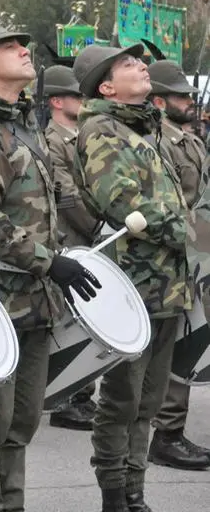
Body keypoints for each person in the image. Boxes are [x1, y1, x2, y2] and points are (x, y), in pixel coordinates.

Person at [0, 15, 99, 512]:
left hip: (31, 297)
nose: (24, 49)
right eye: (9, 46)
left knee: (22, 421)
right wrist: (50, 262)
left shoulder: (17, 121)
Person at [73, 44, 190, 512]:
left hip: (164, 285)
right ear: (105, 86)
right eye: (128, 64)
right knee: (122, 400)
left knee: (148, 401)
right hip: (130, 286)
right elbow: (121, 201)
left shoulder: (147, 128)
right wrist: (187, 229)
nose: (142, 67)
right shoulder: (103, 130)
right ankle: (114, 494)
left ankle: (134, 491)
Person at [146, 59, 210, 470]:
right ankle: (166, 433)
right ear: (158, 101)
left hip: (201, 248)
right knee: (183, 340)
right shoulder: (158, 142)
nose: (189, 101)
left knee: (196, 336)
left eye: (188, 95)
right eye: (180, 96)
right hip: (179, 252)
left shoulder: (190, 140)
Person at [42, 65, 101, 431]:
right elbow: (67, 197)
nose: (84, 102)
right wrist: (97, 226)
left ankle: (80, 392)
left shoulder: (81, 136)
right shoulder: (52, 140)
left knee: (84, 318)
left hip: (88, 238)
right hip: (71, 237)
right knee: (66, 320)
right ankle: (65, 397)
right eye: (77, 96)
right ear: (57, 101)